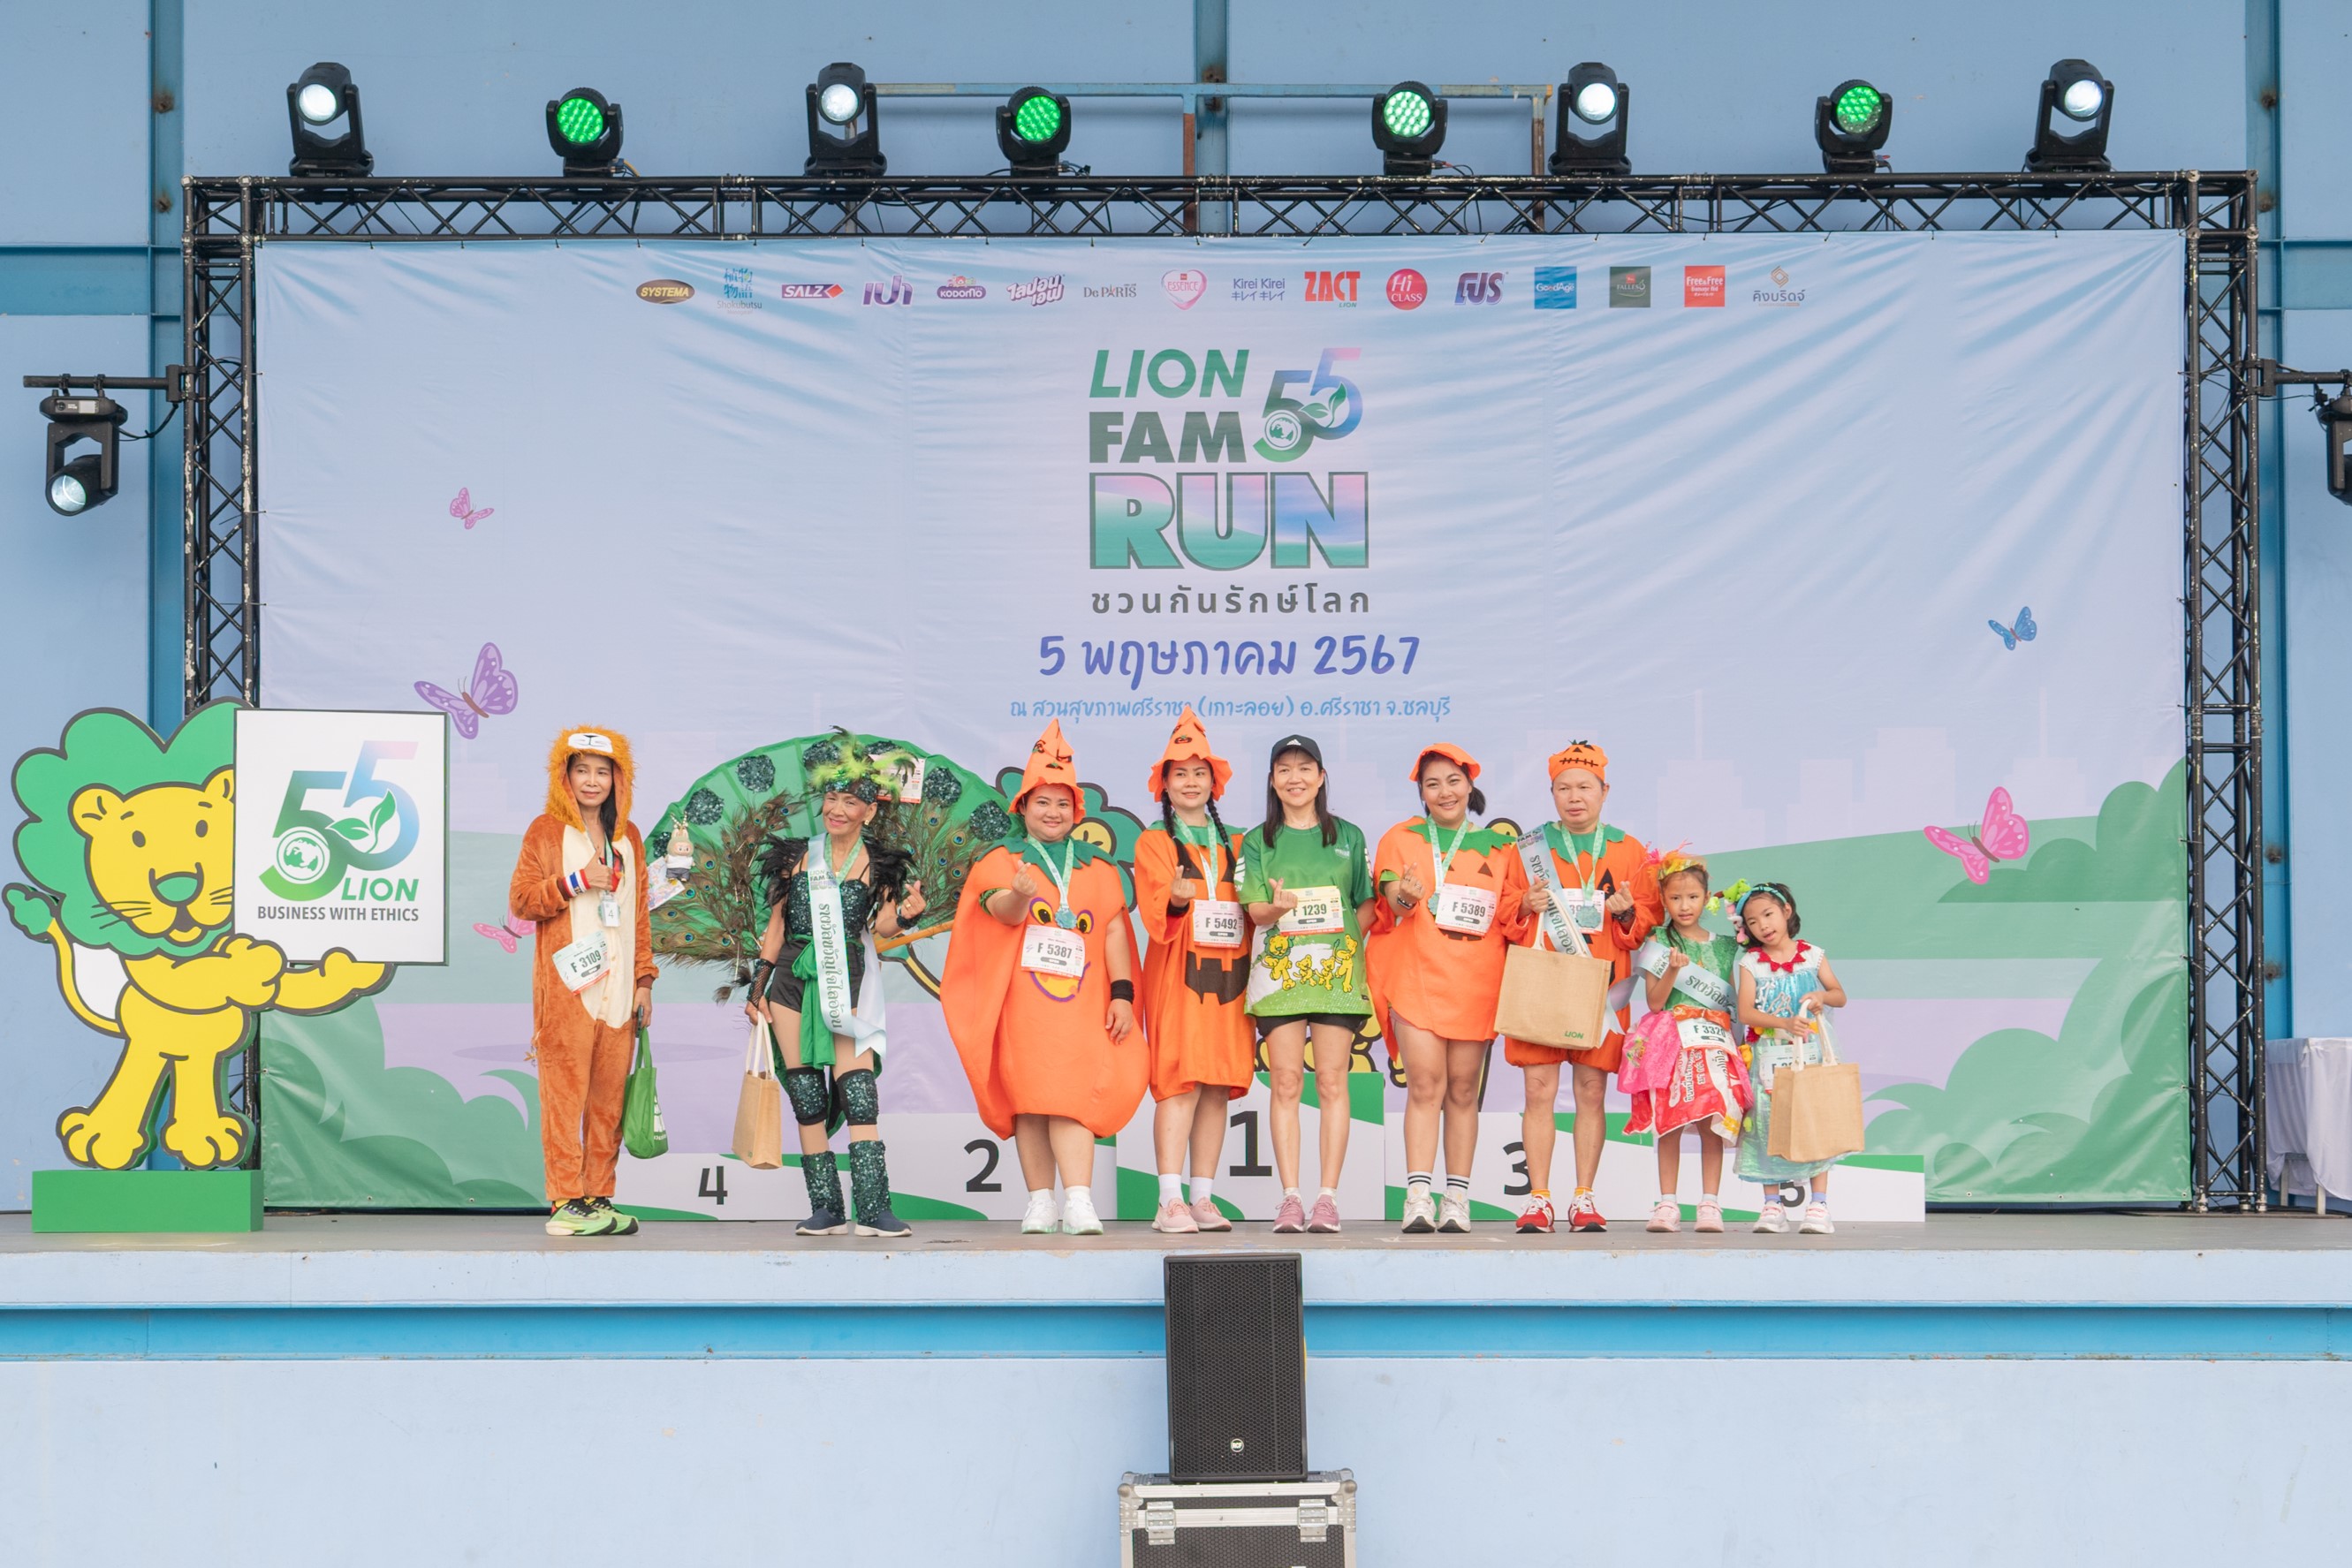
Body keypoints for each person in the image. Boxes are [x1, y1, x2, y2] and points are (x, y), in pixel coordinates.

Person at [942, 721, 1145, 1235]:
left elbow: (1114, 933)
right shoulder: (1000, 859)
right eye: (1042, 803)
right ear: (1023, 807)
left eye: (1062, 804)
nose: (1053, 813)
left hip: (1084, 1005)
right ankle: (1040, 1201)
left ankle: (1079, 1200)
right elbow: (1002, 913)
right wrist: (1019, 894)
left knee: (1072, 1095)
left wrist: (1123, 995)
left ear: (1076, 811)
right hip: (1024, 1006)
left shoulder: (1100, 868)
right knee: (1029, 1098)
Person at [744, 745, 925, 1238]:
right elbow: (776, 928)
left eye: (851, 802)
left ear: (869, 812)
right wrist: (758, 988)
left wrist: (907, 915)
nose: (838, 809)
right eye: (832, 798)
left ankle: (874, 1209)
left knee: (858, 1092)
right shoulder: (795, 857)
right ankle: (826, 1209)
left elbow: (882, 929)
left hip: (848, 983)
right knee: (806, 1092)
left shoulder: (880, 866)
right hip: (790, 981)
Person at [1367, 744, 1528, 1234]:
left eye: (1453, 781)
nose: (1444, 792)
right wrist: (1405, 897)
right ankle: (1418, 1197)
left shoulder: (1501, 849)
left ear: (1470, 785)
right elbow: (1391, 902)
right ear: (1421, 792)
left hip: (1477, 980)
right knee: (1425, 1084)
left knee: (1462, 1089)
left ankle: (1457, 1198)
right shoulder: (1401, 837)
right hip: (1416, 975)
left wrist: (1529, 904)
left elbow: (1512, 914)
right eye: (1432, 784)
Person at [1503, 740, 1662, 1235]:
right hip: (1543, 981)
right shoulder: (1528, 848)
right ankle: (1538, 1200)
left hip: (1604, 985)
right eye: (1564, 788)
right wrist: (1524, 904)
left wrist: (1628, 914)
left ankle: (1584, 1197)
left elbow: (1648, 923)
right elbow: (1503, 913)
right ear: (1551, 793)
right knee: (1538, 1090)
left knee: (1592, 1091)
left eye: (1585, 787)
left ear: (1604, 792)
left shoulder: (1630, 850)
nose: (1575, 797)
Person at [509, 727, 657, 1238]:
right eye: (582, 771)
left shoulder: (629, 836)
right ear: (564, 776)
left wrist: (644, 980)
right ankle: (566, 1200)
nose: (592, 781)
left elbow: (639, 915)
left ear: (618, 779)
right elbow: (522, 901)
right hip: (568, 990)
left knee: (608, 1103)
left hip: (619, 992)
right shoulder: (545, 831)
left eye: (602, 772)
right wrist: (576, 881)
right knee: (564, 1098)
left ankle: (598, 1196)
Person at [1237, 734, 1377, 1235]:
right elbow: (1255, 911)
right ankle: (1291, 1198)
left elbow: (1366, 902)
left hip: (1335, 977)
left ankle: (1327, 1200)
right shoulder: (1258, 840)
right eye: (1284, 770)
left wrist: (1344, 943)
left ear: (1320, 777)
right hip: (1280, 976)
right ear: (1272, 781)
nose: (1294, 778)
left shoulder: (1349, 836)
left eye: (1304, 768)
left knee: (1333, 1082)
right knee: (1286, 1083)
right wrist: (1276, 910)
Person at [1132, 707, 1253, 1235]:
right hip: (1178, 976)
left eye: (1199, 773)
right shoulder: (1154, 841)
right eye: (1179, 773)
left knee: (1216, 1086)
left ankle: (1202, 1197)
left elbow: (1255, 904)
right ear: (1165, 784)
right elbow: (1156, 911)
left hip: (1229, 977)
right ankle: (1169, 1201)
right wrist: (1177, 899)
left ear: (1214, 783)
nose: (1190, 782)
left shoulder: (1240, 844)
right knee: (1180, 1083)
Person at [1625, 854, 1749, 1235]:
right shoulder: (1658, 941)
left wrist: (1740, 1046)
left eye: (1693, 897)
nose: (1684, 906)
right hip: (1671, 1044)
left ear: (1707, 898)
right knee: (1670, 1124)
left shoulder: (1725, 946)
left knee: (1713, 1122)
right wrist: (1673, 970)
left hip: (1713, 1044)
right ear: (1663, 899)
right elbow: (1655, 1002)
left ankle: (1710, 1203)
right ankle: (1667, 1203)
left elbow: (1731, 1004)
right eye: (1675, 898)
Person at [1734, 882, 1849, 1235]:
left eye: (1768, 914)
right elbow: (1745, 1012)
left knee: (1815, 1121)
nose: (1763, 926)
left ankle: (1819, 1206)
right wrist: (1783, 1023)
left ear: (1786, 911)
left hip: (1809, 1053)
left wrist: (1820, 996)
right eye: (1753, 922)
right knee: (1767, 1125)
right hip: (1768, 1057)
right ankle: (1773, 1206)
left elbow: (1839, 995)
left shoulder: (1813, 955)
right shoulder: (1751, 963)